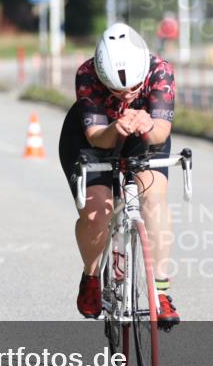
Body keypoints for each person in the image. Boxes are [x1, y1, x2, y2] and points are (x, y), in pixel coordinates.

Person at [58, 22, 179, 327]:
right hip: (93, 138)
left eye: (134, 89)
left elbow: (162, 132)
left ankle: (161, 291)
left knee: (153, 200)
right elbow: (97, 136)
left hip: (144, 134)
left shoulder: (160, 71)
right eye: (117, 90)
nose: (126, 95)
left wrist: (147, 124)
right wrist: (115, 127)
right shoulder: (87, 74)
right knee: (97, 214)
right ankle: (91, 275)